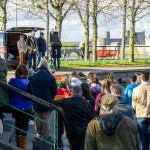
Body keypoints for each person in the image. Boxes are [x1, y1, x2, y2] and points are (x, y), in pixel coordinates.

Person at [52, 85, 94, 150]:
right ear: (81, 92)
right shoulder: (87, 104)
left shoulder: (65, 102)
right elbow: (92, 117)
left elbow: (52, 103)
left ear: (72, 92)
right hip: (83, 131)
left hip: (70, 131)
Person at [29, 60, 57, 140]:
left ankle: (38, 134)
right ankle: (45, 136)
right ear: (46, 67)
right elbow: (54, 90)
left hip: (36, 101)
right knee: (46, 119)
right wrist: (50, 97)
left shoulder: (32, 77)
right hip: (47, 101)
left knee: (37, 118)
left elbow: (29, 90)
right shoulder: (50, 77)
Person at [9, 64, 33, 150]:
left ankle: (18, 144)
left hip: (15, 106)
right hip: (26, 107)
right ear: (26, 72)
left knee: (17, 124)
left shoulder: (12, 81)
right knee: (25, 126)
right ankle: (23, 146)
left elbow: (9, 93)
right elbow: (32, 95)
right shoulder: (28, 82)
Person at [132, 70, 150, 150]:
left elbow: (134, 105)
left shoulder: (136, 89)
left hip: (140, 115)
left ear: (141, 78)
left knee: (141, 139)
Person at [54, 81, 72, 149]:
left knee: (58, 129)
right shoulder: (68, 93)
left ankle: (58, 145)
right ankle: (66, 146)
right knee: (66, 129)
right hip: (66, 112)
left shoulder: (57, 92)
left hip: (58, 112)